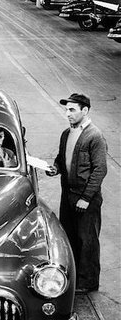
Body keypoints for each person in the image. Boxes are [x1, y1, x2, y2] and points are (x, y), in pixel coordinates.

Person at [46, 93, 107, 293]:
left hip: (85, 198)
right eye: (66, 109)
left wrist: (86, 198)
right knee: (69, 236)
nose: (68, 113)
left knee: (87, 240)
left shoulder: (94, 136)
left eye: (72, 110)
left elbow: (100, 170)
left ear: (85, 110)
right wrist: (56, 168)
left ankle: (88, 281)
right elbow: (61, 157)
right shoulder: (67, 133)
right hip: (68, 195)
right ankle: (72, 276)